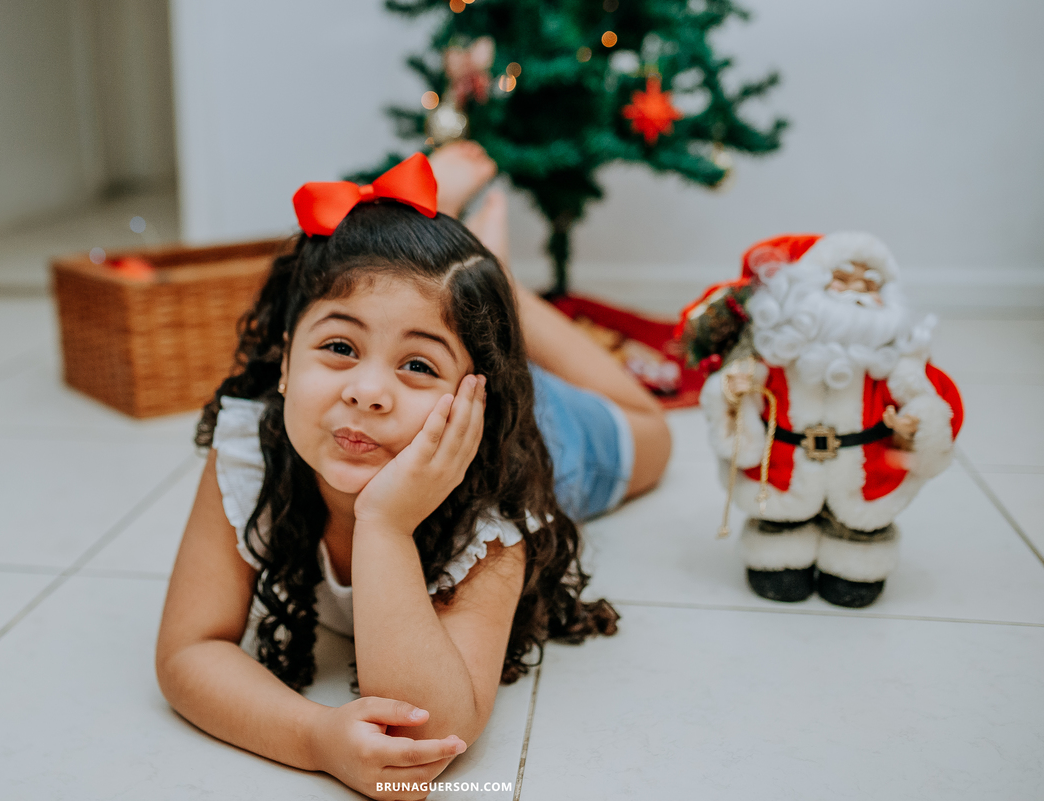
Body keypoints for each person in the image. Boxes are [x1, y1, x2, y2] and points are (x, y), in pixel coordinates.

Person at [155, 149, 670, 800]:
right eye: (339, 347)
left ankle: (503, 286)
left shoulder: (497, 509)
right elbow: (187, 651)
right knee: (440, 320)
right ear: (286, 365)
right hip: (454, 392)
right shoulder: (251, 450)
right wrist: (314, 736)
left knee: (652, 431)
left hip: (549, 437)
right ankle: (464, 300)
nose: (368, 391)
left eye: (415, 365)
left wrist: (386, 526)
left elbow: (434, 725)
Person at [692, 233, 962, 608]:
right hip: (785, 471)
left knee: (858, 555)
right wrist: (736, 389)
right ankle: (780, 554)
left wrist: (914, 425)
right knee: (779, 548)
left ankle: (855, 559)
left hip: (863, 475)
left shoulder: (895, 361)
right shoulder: (777, 348)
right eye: (842, 280)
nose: (856, 294)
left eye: (869, 286)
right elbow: (740, 389)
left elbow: (934, 401)